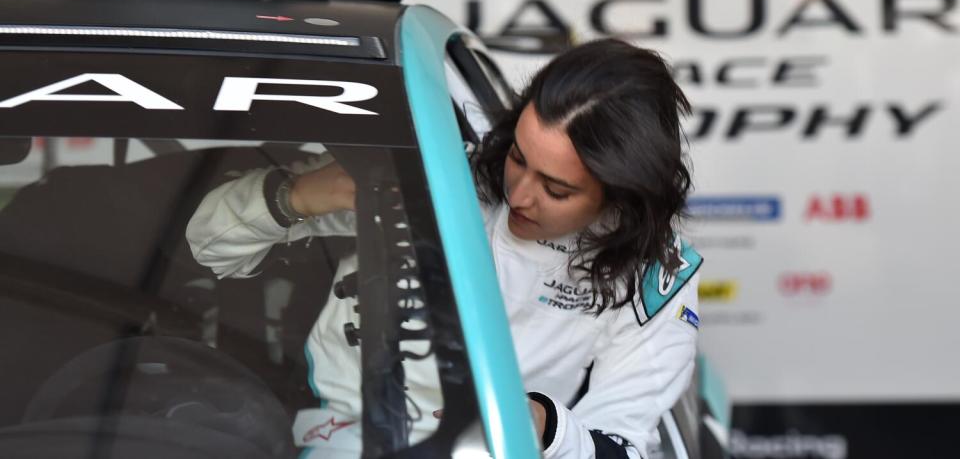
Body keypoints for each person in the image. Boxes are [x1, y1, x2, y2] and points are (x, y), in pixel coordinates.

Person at [186, 38, 702, 458]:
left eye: (557, 189)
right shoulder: (433, 177)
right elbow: (206, 246)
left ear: (623, 193)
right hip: (335, 440)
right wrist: (297, 196)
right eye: (518, 158)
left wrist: (541, 423)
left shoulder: (654, 275)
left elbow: (624, 447)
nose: (520, 194)